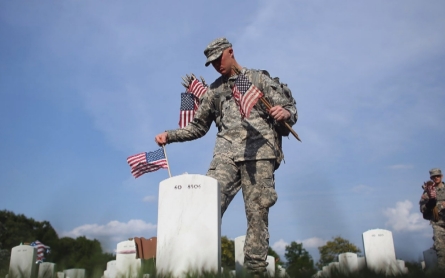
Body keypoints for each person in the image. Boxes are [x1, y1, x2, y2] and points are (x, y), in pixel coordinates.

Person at [155, 37, 297, 275]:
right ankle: (199, 268)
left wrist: (286, 112)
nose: (216, 65)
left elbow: (288, 106)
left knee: (257, 215)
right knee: (205, 207)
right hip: (226, 154)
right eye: (211, 63)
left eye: (219, 59)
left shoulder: (255, 79)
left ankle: (255, 271)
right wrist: (170, 135)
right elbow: (198, 127)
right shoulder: (213, 91)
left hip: (259, 154)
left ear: (231, 52)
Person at [419, 168, 445, 271]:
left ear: (441, 176)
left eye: (438, 176)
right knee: (441, 251)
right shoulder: (428, 192)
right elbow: (422, 208)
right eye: (434, 177)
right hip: (438, 224)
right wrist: (429, 204)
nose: (436, 178)